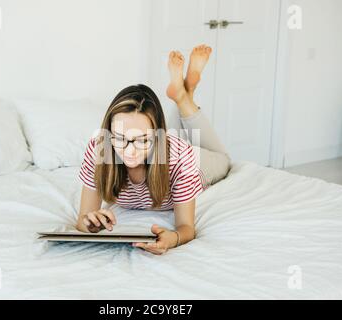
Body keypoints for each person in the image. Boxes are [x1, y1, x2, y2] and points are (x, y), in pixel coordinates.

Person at [76, 45, 231, 255]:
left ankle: (185, 96)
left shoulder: (181, 158)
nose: (129, 151)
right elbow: (83, 221)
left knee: (223, 159)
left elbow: (186, 228)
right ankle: (184, 93)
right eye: (120, 139)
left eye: (142, 141)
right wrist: (91, 224)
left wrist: (174, 238)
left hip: (186, 157)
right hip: (168, 144)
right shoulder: (100, 148)